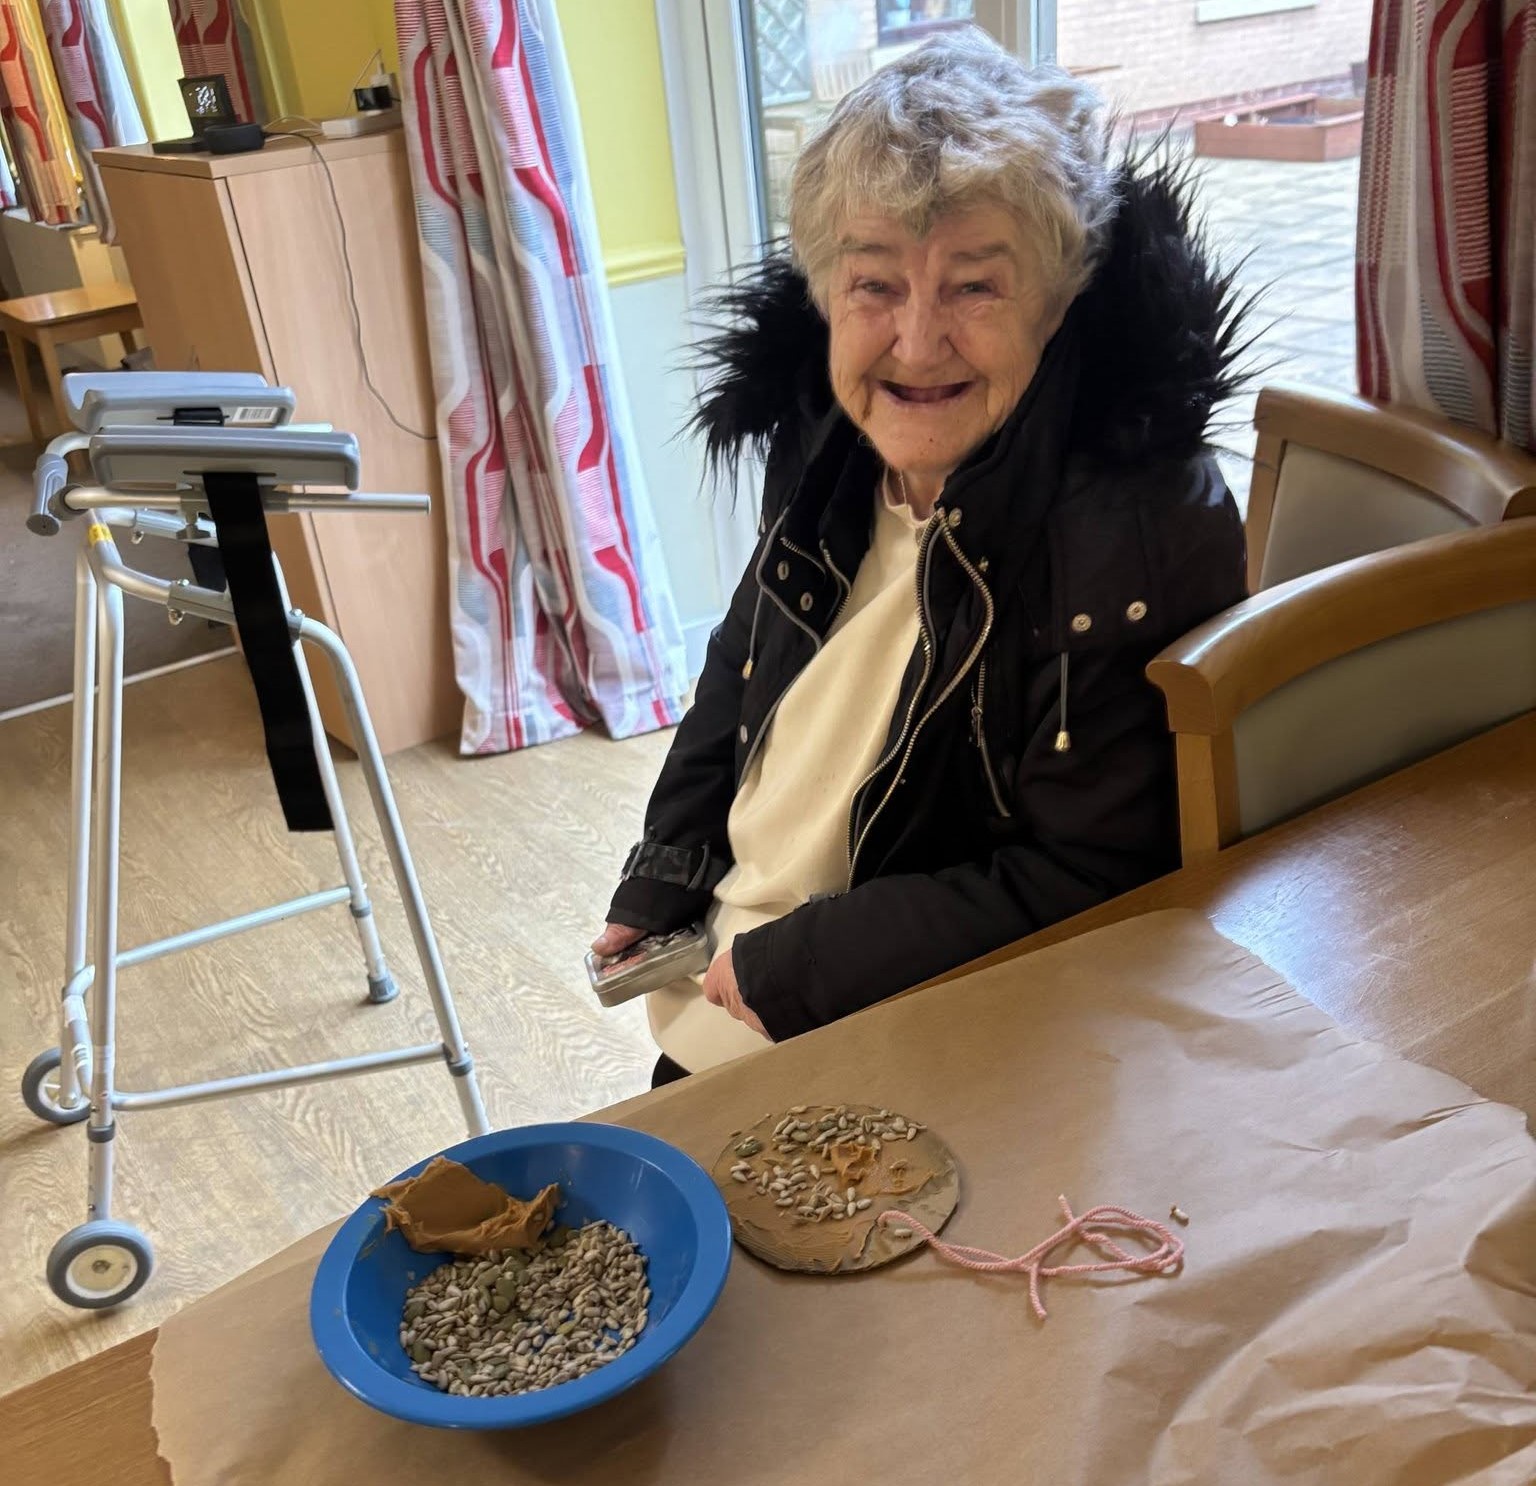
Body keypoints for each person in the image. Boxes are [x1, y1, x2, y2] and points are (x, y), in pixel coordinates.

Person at [593, 31, 1248, 1085]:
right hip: (733, 984)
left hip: (912, 1026)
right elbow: (743, 652)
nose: (915, 340)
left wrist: (802, 962)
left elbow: (1103, 873)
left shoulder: (1130, 526)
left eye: (975, 288)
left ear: (1058, 295)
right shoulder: (825, 437)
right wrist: (667, 867)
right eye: (874, 285)